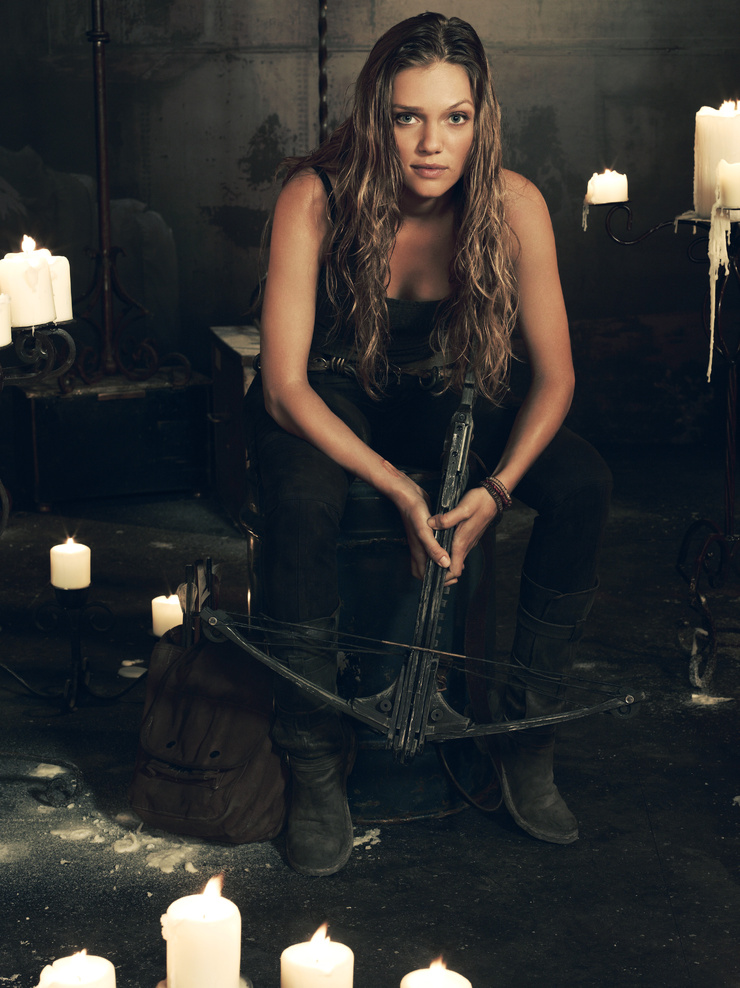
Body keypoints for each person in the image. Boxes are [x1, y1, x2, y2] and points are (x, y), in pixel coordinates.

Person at [244, 11, 612, 876]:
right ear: (378, 116)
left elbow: (556, 378)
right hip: (332, 393)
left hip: (451, 393)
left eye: (455, 117)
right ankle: (313, 759)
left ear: (481, 118)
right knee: (298, 497)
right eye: (408, 117)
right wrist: (399, 487)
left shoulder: (514, 204)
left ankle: (525, 734)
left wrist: (497, 490)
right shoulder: (315, 196)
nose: (431, 144)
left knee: (584, 483)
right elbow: (284, 385)